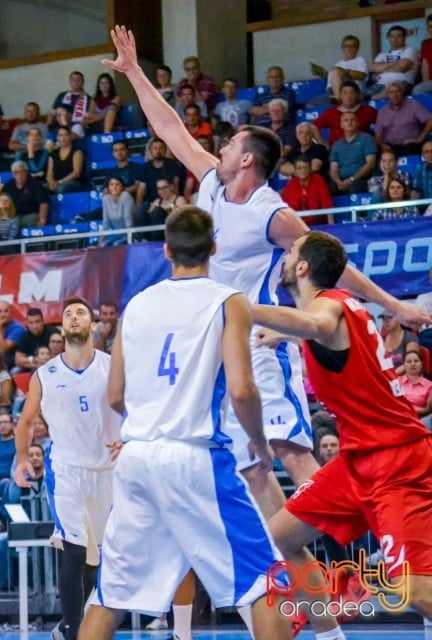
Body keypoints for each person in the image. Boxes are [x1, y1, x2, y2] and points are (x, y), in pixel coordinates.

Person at [105, 22, 429, 625]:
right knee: (256, 478)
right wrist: (134, 74)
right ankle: (322, 616)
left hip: (257, 343)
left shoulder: (268, 212)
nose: (219, 148)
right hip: (213, 346)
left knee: (288, 453)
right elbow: (169, 127)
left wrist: (398, 307)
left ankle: (375, 547)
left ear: (247, 159)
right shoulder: (209, 183)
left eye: (229, 146)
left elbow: (331, 261)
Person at [80, 206, 289, 640]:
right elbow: (242, 388)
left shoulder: (135, 305)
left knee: (109, 594)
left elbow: (115, 394)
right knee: (264, 584)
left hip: (137, 457)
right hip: (194, 457)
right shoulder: (229, 300)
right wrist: (259, 444)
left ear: (166, 250)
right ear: (214, 247)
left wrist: (150, 420)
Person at [252, 230, 432, 634]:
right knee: (282, 534)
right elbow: (322, 336)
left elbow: (317, 324)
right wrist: (285, 334)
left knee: (415, 591)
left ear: (302, 268)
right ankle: (330, 633)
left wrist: (247, 310)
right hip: (357, 462)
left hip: (396, 462)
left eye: (290, 252)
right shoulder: (345, 307)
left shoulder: (326, 307)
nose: (283, 257)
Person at [12, 296, 122, 640]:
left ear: (92, 325)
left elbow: (136, 407)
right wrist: (19, 461)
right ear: (62, 327)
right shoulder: (45, 375)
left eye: (81, 313)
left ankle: (84, 620)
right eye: (68, 314)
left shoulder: (111, 365)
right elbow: (27, 421)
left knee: (96, 558)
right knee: (72, 548)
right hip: (66, 472)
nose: (74, 317)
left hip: (107, 472)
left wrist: (130, 438)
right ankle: (72, 629)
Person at [400, 348, 432, 427]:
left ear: (421, 364)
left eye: (416, 361)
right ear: (404, 365)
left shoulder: (430, 385)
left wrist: (407, 410)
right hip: (398, 418)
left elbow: (429, 410)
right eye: (409, 361)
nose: (412, 364)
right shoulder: (396, 383)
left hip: (420, 421)